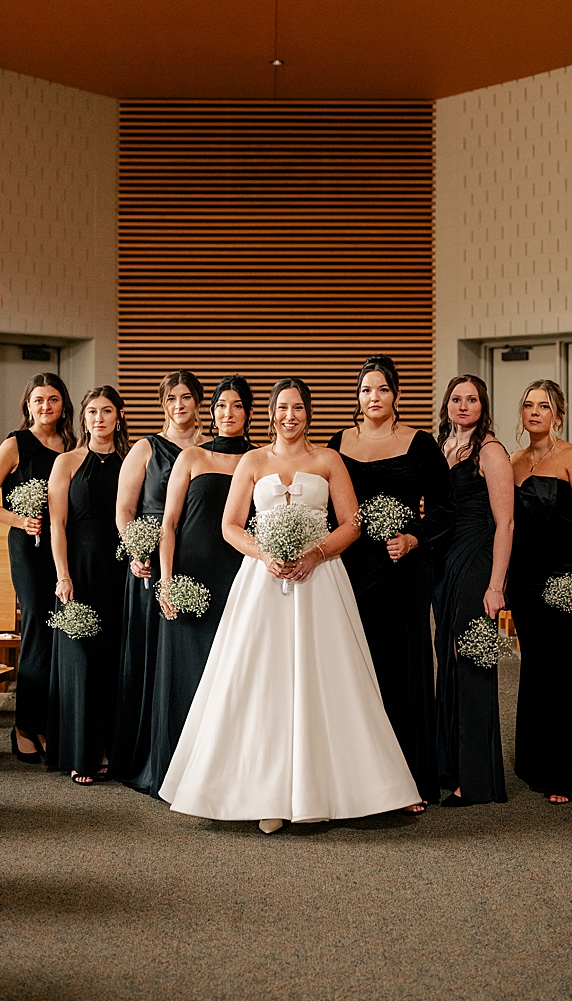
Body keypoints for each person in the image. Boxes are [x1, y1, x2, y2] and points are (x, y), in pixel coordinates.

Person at [161, 378, 421, 833]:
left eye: (298, 408)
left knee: (328, 678)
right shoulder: (252, 461)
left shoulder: (328, 459)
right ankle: (266, 794)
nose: (290, 416)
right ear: (271, 413)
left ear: (309, 413)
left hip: (320, 580)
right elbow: (230, 525)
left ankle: (333, 788)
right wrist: (265, 553)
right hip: (262, 583)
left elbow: (352, 524)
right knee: (260, 681)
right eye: (282, 407)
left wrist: (316, 554)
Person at [327, 356, 454, 810]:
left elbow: (444, 507)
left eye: (381, 389)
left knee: (404, 670)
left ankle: (408, 781)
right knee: (354, 667)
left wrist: (413, 537)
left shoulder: (419, 443)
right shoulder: (339, 442)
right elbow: (326, 505)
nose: (373, 398)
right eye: (365, 390)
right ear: (357, 397)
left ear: (396, 394)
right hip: (352, 568)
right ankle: (357, 779)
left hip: (404, 569)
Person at [139, 376, 256, 796]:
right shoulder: (191, 456)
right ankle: (177, 772)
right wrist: (166, 583)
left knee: (236, 675)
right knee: (188, 671)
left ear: (248, 412)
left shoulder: (260, 459)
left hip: (242, 579)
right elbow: (168, 524)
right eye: (222, 406)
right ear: (213, 412)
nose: (228, 413)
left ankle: (229, 776)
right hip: (192, 576)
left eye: (237, 406)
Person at [507, 380, 572, 804]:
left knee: (560, 668)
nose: (534, 412)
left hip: (564, 576)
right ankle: (533, 762)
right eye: (528, 405)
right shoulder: (512, 461)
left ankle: (567, 772)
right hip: (525, 578)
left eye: (543, 406)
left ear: (558, 414)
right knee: (535, 666)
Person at [111, 370, 207, 785]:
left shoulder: (212, 448)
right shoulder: (145, 448)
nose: (179, 405)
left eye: (186, 397)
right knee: (150, 658)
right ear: (162, 403)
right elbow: (124, 510)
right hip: (150, 565)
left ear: (199, 401)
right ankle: (150, 754)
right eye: (171, 398)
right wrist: (136, 551)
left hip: (200, 562)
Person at [0, 372, 75, 763]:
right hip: (29, 546)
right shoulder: (15, 444)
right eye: (38, 400)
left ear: (63, 404)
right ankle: (24, 726)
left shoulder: (72, 444)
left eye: (52, 399)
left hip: (65, 544)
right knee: (38, 628)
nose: (46, 406)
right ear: (28, 406)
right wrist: (20, 520)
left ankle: (53, 722)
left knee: (62, 631)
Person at [434, 375, 513, 806]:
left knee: (472, 663)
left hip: (476, 560)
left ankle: (477, 779)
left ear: (483, 406)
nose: (463, 405)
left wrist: (496, 585)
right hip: (445, 564)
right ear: (446, 404)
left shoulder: (491, 451)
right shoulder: (442, 446)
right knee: (448, 660)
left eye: (472, 399)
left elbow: (506, 522)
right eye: (456, 399)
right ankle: (452, 765)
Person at [45, 386, 129, 785]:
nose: (99, 418)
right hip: (78, 570)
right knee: (81, 663)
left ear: (119, 416)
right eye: (92, 411)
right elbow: (57, 524)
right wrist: (63, 575)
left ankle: (112, 748)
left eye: (107, 411)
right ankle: (81, 751)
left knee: (113, 662)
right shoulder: (66, 462)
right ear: (83, 418)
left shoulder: (131, 461)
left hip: (121, 573)